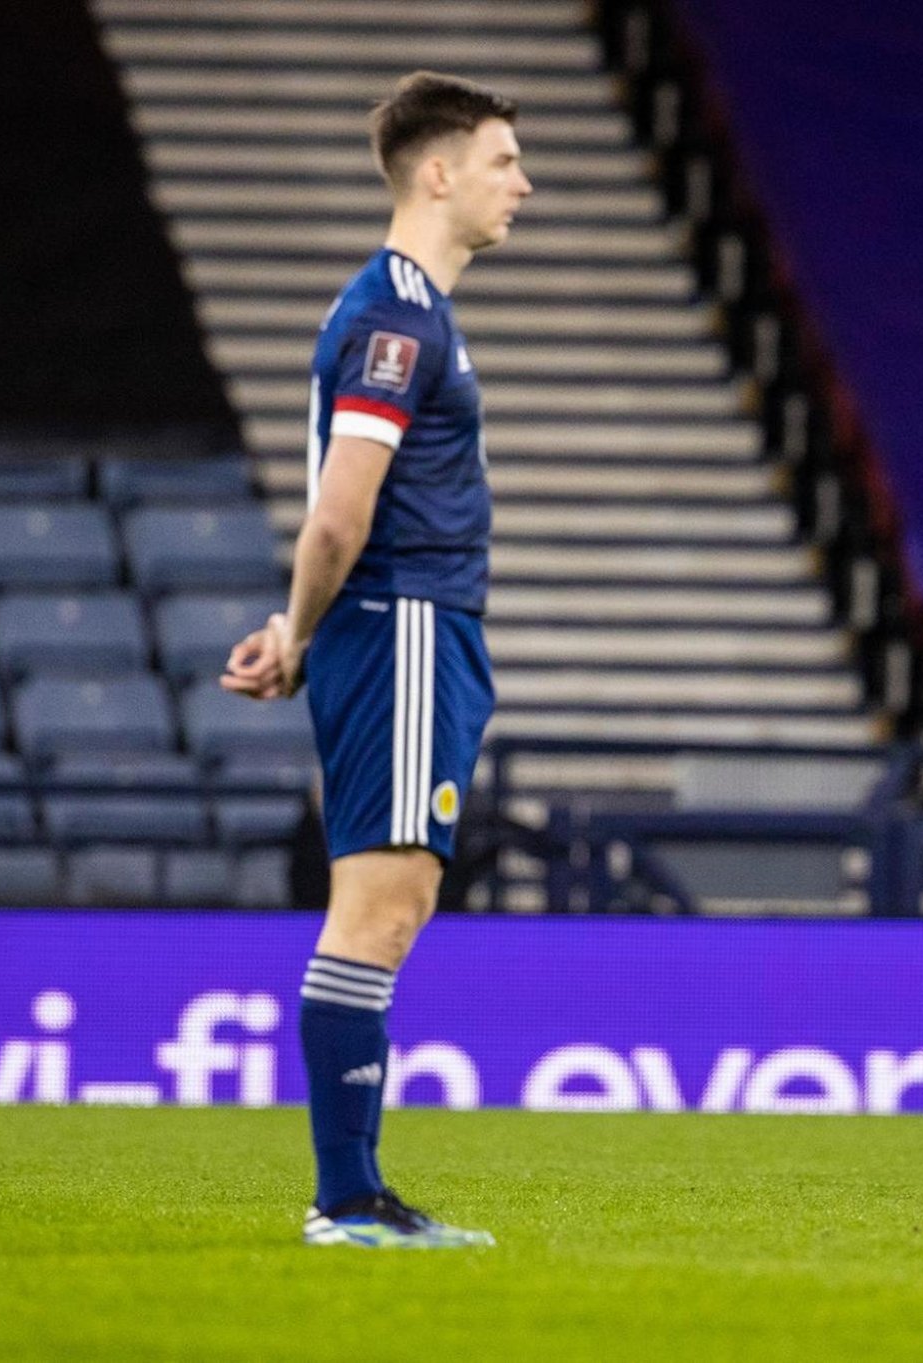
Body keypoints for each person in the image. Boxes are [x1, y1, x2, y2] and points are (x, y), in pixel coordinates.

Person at [221, 71, 532, 1248]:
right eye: (505, 160)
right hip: (400, 621)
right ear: (437, 171)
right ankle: (346, 1198)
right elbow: (341, 515)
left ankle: (352, 1193)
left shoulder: (405, 309)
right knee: (381, 910)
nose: (525, 183)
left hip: (411, 625)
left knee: (390, 905)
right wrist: (297, 635)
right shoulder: (397, 318)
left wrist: (297, 628)